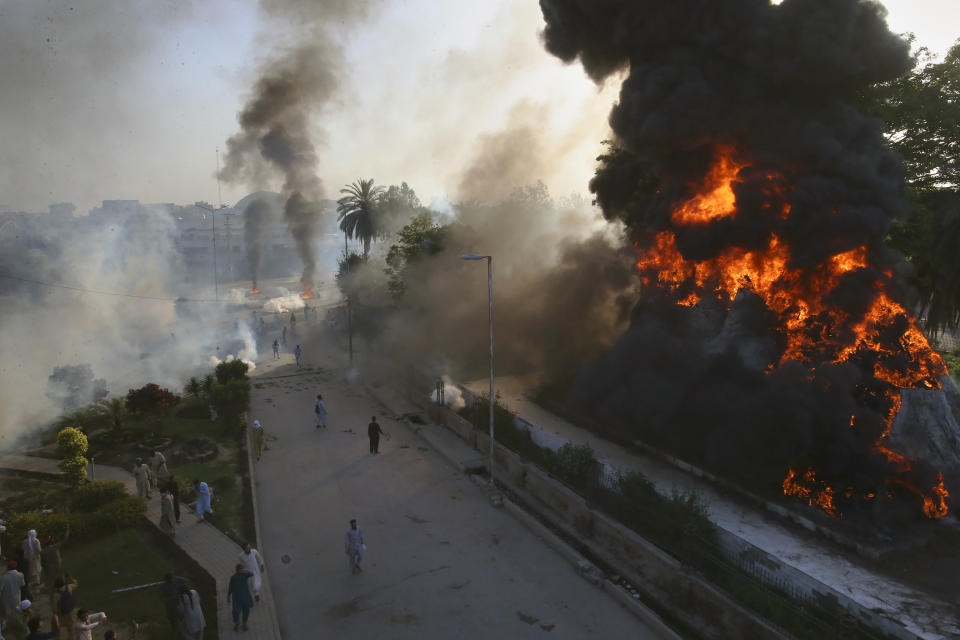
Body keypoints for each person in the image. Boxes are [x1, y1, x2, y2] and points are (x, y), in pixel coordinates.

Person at [40, 525, 69, 592]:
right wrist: (68, 529)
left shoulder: (43, 551)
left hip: (49, 568)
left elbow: (42, 563)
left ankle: (52, 592)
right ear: (51, 541)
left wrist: (45, 568)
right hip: (58, 565)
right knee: (60, 578)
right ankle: (63, 590)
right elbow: (65, 539)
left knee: (51, 581)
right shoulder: (55, 546)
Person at [226, 564, 253, 632]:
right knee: (235, 612)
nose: (241, 571)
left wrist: (246, 570)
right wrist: (228, 596)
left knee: (246, 611)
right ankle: (237, 623)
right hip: (236, 598)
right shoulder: (233, 577)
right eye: (240, 570)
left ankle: (244, 623)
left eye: (242, 570)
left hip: (245, 597)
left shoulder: (245, 575)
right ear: (237, 570)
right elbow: (230, 587)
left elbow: (251, 574)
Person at [0, 562, 25, 632]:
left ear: (8, 568)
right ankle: (19, 629)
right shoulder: (20, 575)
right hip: (16, 598)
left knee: (4, 615)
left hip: (5, 599)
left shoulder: (4, 577)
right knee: (17, 614)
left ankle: (3, 630)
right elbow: (22, 585)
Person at [53, 575, 78, 640]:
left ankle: (57, 638)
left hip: (62, 613)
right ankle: (71, 638)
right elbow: (76, 584)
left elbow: (55, 607)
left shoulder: (56, 594)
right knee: (71, 627)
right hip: (71, 610)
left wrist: (55, 614)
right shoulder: (69, 587)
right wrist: (70, 577)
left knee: (55, 626)